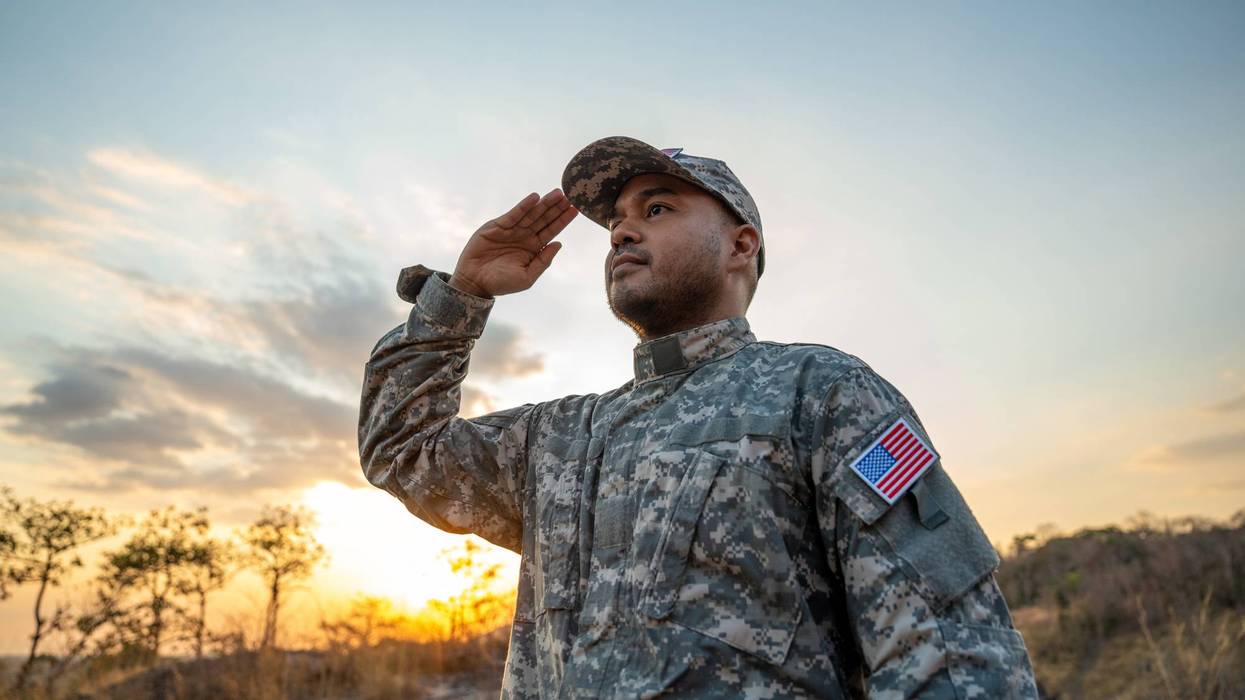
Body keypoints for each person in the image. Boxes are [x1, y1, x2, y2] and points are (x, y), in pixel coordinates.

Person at [358, 136, 1038, 698]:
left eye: (657, 209)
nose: (622, 230)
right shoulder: (557, 439)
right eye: (617, 219)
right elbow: (402, 449)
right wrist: (462, 295)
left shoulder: (820, 391)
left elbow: (945, 647)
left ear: (740, 245)